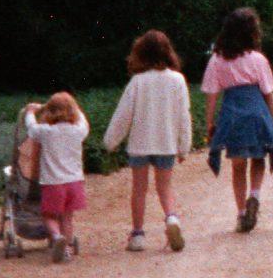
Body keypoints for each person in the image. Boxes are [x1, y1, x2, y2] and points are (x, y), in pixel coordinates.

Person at [102, 30, 191, 252]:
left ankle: (138, 235)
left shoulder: (137, 82)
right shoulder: (178, 80)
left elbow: (123, 115)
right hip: (166, 143)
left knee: (139, 189)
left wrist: (110, 141)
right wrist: (184, 146)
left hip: (140, 144)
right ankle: (171, 218)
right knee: (165, 186)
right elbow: (184, 115)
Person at [202, 6, 273, 231]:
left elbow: (211, 94)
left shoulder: (217, 59)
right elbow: (268, 93)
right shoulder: (258, 59)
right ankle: (254, 195)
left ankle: (241, 213)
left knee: (238, 165)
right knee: (259, 157)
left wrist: (210, 122)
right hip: (257, 111)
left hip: (233, 112)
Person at [21, 91, 90, 263]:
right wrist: (76, 108)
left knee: (49, 216)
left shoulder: (46, 131)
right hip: (75, 182)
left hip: (53, 183)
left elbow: (31, 128)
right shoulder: (78, 130)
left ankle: (57, 236)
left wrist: (30, 112)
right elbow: (84, 121)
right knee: (67, 217)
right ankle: (66, 248)